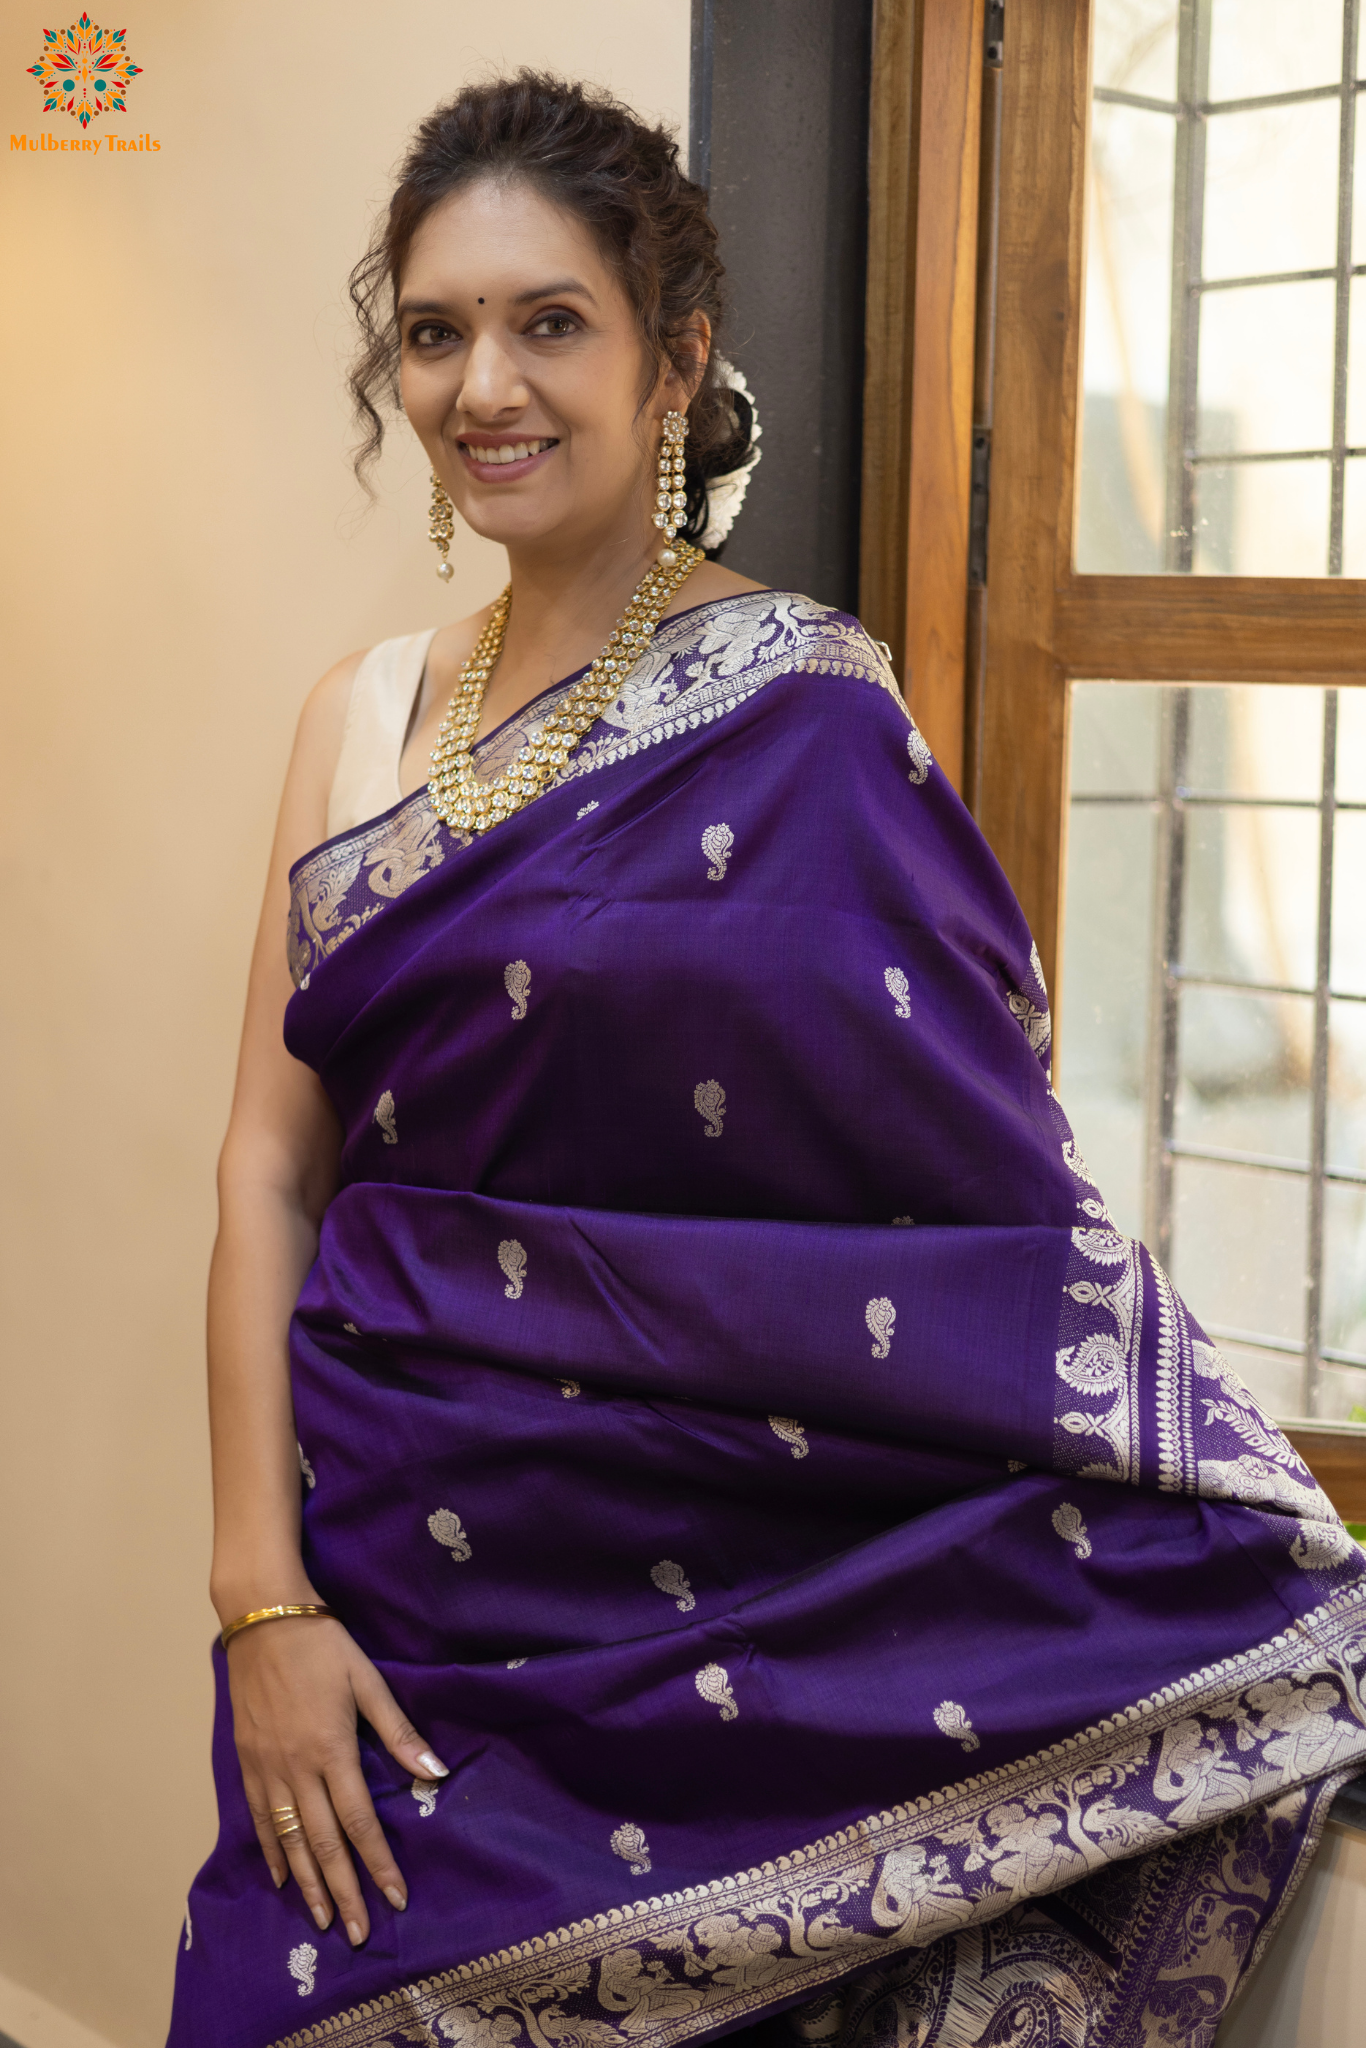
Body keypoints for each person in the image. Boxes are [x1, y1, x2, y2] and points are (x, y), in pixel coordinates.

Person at [169, 71, 1366, 2048]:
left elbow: (970, 1181)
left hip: (706, 1603)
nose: (487, 384)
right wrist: (259, 1603)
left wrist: (1203, 1486)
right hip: (388, 1579)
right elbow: (263, 1173)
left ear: (673, 362)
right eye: (438, 328)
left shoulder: (808, 715)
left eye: (550, 321)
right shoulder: (359, 713)